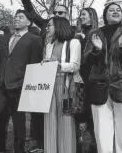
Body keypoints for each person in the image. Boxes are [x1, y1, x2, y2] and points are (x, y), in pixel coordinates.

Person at [19, 0, 72, 152]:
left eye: (61, 13)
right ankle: (42, 144)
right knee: (41, 112)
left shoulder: (74, 34)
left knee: (64, 114)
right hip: (42, 75)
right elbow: (32, 14)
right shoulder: (46, 26)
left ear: (68, 16)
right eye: (55, 12)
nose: (57, 15)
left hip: (64, 80)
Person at [83, 2, 122, 153]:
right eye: (111, 10)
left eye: (118, 10)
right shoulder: (94, 34)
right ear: (105, 15)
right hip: (100, 86)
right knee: (102, 131)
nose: (115, 11)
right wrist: (97, 50)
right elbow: (86, 61)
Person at [0, 10, 43, 153]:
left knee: (19, 125)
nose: (16, 19)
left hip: (19, 88)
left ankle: (18, 150)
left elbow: (34, 65)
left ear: (29, 22)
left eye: (21, 17)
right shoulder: (4, 39)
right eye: (15, 17)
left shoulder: (34, 40)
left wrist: (24, 83)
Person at [43, 17, 82, 153]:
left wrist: (57, 65)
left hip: (65, 87)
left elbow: (75, 65)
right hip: (49, 86)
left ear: (59, 26)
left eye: (49, 25)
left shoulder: (73, 42)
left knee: (65, 123)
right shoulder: (49, 45)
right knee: (49, 123)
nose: (47, 28)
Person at [74, 8, 99, 153]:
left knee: (91, 118)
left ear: (91, 17)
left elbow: (89, 59)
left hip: (91, 81)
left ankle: (94, 147)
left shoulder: (95, 34)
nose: (80, 16)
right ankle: (78, 146)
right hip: (78, 80)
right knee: (77, 115)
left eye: (84, 14)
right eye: (80, 14)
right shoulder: (78, 35)